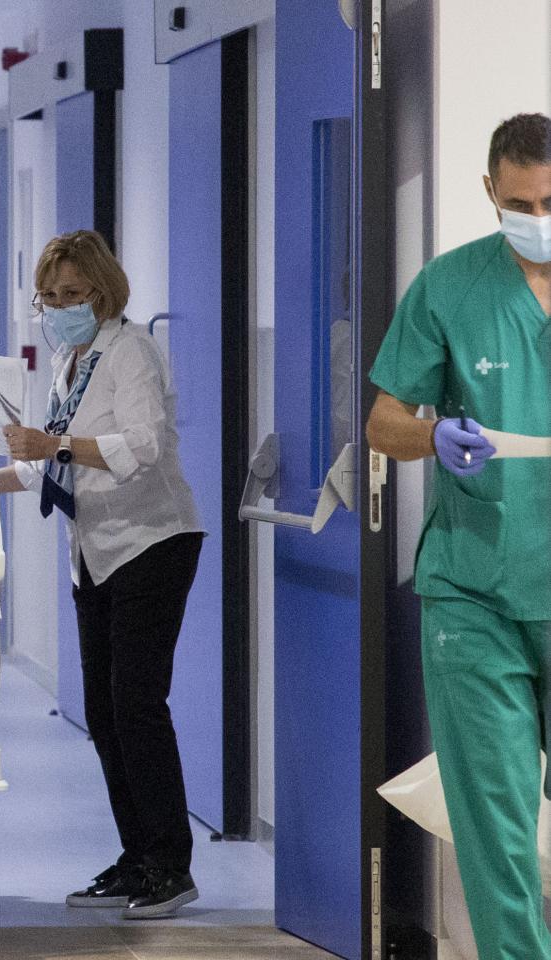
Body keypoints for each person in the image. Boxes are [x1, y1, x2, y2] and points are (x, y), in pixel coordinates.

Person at [0, 230, 205, 918]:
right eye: (51, 296)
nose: (61, 306)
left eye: (73, 294)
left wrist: (55, 442)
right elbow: (43, 465)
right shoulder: (72, 360)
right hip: (96, 552)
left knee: (137, 705)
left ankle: (170, 865)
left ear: (104, 291)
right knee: (103, 712)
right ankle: (137, 858)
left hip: (153, 543)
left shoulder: (131, 354)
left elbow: (144, 447)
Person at [365, 113, 551, 960]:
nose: (537, 218)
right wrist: (433, 434)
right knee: (496, 824)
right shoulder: (448, 287)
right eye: (520, 202)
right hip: (473, 590)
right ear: (489, 192)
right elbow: (383, 422)